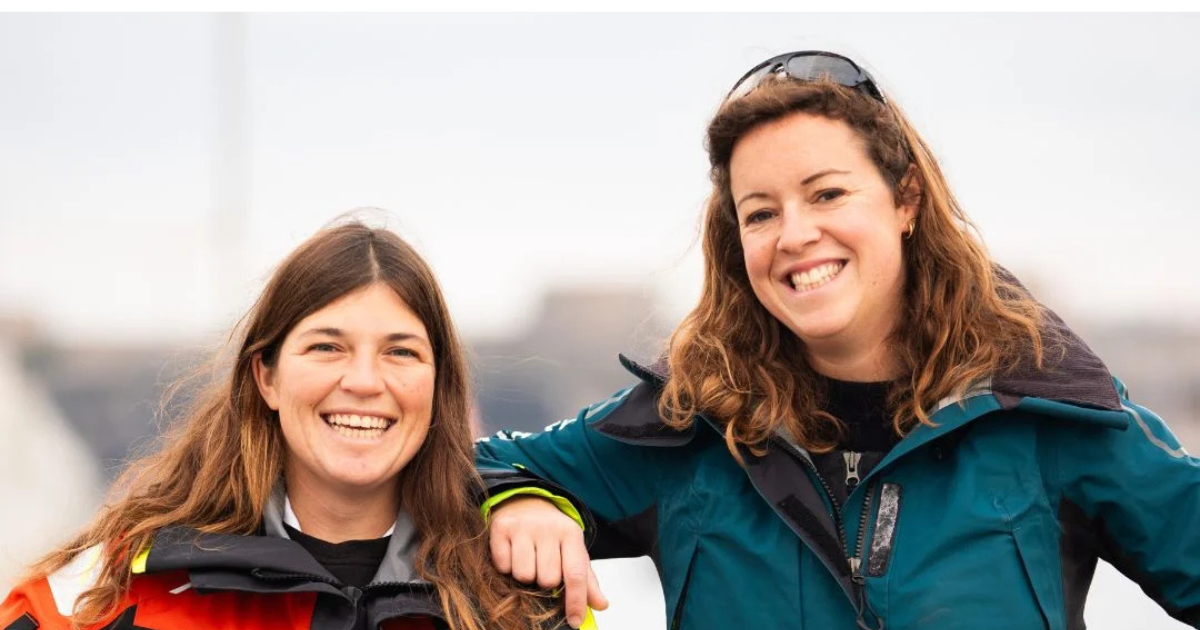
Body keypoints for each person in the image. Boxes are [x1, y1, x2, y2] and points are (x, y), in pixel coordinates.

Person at [477, 51, 1200, 629]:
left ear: (906, 200)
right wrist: (523, 500)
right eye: (760, 214)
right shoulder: (691, 426)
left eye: (827, 194)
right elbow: (464, 468)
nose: (795, 236)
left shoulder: (1046, 414)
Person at [1, 221, 581, 630]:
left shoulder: (522, 600)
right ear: (266, 378)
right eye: (327, 347)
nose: (363, 380)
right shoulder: (115, 588)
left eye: (400, 352)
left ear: (438, 386)